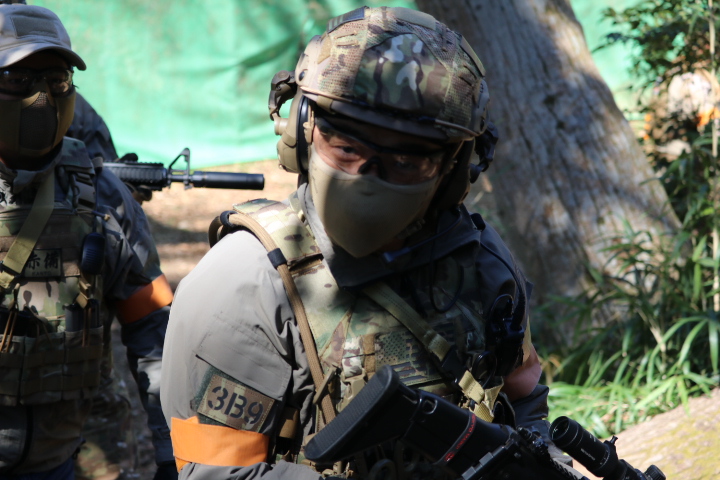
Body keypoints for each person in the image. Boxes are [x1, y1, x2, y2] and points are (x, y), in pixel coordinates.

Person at [162, 6, 571, 479]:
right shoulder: (243, 283)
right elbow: (215, 474)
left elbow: (524, 400)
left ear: (454, 168)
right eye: (346, 147)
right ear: (302, 132)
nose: (367, 177)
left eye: (406, 161)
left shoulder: (479, 260)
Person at [0, 4, 176, 480]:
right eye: (17, 80)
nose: (41, 97)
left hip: (60, 460)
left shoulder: (101, 196)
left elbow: (153, 330)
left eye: (56, 80)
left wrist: (172, 453)